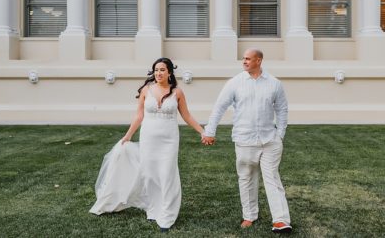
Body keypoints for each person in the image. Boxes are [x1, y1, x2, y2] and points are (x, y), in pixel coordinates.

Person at [91, 57, 208, 233]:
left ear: (169, 72)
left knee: (167, 174)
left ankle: (167, 216)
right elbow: (139, 116)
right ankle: (154, 208)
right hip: (149, 138)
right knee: (150, 174)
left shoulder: (177, 92)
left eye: (162, 70)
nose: (158, 73)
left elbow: (187, 116)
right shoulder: (146, 90)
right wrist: (128, 136)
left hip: (169, 139)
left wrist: (202, 131)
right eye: (156, 70)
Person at [203, 48, 292, 233]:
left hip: (270, 140)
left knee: (272, 178)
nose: (244, 61)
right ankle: (249, 215)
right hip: (244, 140)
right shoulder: (234, 83)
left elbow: (282, 109)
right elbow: (219, 107)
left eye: (248, 59)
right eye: (243, 58)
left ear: (258, 61)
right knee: (246, 178)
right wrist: (210, 131)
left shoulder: (274, 83)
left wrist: (280, 134)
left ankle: (281, 220)